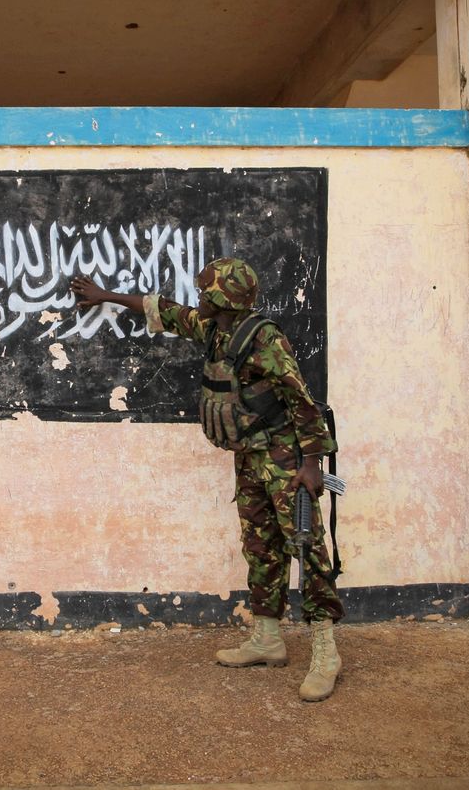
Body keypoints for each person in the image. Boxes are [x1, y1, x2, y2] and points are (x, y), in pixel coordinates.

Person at [70, 257, 344, 702]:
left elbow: (303, 402)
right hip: (251, 458)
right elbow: (166, 310)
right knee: (260, 545)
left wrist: (311, 465)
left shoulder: (264, 340)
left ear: (223, 298)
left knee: (306, 548)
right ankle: (268, 638)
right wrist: (105, 296)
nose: (199, 298)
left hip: (286, 463)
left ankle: (326, 652)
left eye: (206, 292)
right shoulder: (215, 328)